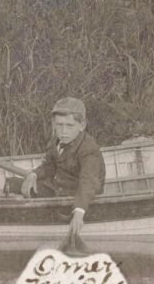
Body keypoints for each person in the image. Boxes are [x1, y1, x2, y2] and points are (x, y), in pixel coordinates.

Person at [15, 98, 106, 238]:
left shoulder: (89, 149)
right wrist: (33, 175)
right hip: (59, 191)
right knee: (12, 184)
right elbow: (49, 167)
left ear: (82, 125)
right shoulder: (57, 141)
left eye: (69, 126)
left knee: (20, 192)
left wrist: (79, 210)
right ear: (54, 124)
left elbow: (88, 182)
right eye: (59, 125)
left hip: (79, 198)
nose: (63, 131)